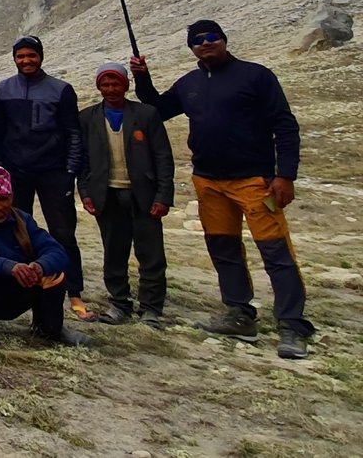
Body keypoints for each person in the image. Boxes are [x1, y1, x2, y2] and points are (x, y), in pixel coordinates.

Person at [131, 20, 311, 359]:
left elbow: (284, 125)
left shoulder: (256, 76)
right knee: (223, 248)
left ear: (224, 40)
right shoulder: (190, 84)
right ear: (191, 49)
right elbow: (158, 109)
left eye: (212, 37)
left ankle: (293, 325)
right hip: (209, 180)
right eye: (197, 41)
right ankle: (239, 313)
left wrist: (285, 174)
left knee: (275, 251)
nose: (205, 44)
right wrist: (142, 77)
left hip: (255, 180)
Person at [0, 35, 90, 320]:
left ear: (41, 57)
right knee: (14, 230)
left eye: (31, 55)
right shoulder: (3, 89)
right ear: (14, 59)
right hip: (15, 173)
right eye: (20, 56)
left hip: (53, 172)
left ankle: (73, 290)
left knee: (63, 233)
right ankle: (19, 283)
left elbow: (73, 132)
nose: (26, 61)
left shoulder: (61, 90)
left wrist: (70, 170)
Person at [0, 165, 91, 347]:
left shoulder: (22, 219)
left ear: (12, 198)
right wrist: (9, 267)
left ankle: (50, 328)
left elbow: (57, 252)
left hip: (18, 286)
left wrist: (39, 267)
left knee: (53, 274)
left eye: (4, 199)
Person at [78, 62, 173, 327]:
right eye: (105, 85)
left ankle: (151, 307)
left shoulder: (147, 114)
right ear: (98, 87)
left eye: (115, 83)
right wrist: (85, 192)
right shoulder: (87, 118)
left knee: (151, 253)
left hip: (143, 194)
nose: (110, 89)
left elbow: (163, 158)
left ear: (126, 84)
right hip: (106, 194)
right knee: (114, 251)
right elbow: (83, 161)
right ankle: (119, 303)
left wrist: (163, 195)